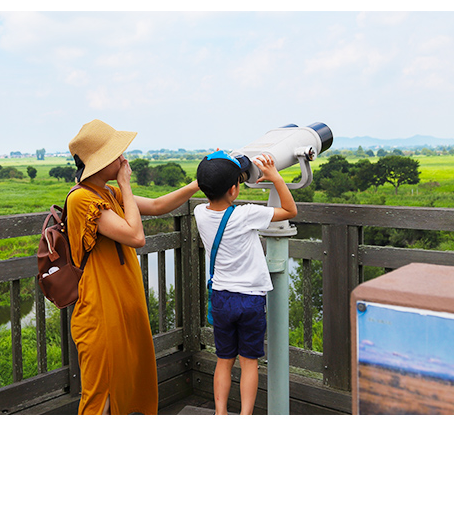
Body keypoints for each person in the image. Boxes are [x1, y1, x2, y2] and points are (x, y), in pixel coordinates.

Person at [66, 119, 201, 415]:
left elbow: (157, 205)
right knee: (101, 395)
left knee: (125, 386)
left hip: (122, 306)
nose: (124, 159)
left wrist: (198, 183)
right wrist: (125, 185)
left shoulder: (108, 194)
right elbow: (135, 236)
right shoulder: (82, 200)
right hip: (100, 312)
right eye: (117, 155)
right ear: (100, 163)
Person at [193, 150, 298, 415]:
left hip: (221, 297)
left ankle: (220, 413)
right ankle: (245, 416)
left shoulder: (198, 213)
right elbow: (290, 210)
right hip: (250, 298)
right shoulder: (246, 214)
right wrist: (275, 178)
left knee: (223, 360)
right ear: (233, 189)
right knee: (249, 362)